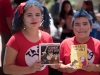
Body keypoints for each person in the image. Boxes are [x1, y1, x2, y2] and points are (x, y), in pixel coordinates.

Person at [3, 0, 59, 75]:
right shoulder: (15, 39)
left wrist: (56, 65)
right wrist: (30, 69)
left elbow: (50, 63)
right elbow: (6, 69)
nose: (34, 18)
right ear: (23, 18)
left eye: (37, 14)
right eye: (29, 15)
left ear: (42, 17)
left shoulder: (47, 37)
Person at [57, 8, 100, 75]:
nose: (81, 27)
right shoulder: (65, 43)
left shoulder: (98, 44)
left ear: (91, 27)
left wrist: (94, 68)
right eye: (77, 24)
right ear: (73, 28)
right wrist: (65, 68)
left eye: (85, 24)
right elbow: (57, 64)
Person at [0, 0, 12, 66]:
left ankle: (3, 66)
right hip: (7, 30)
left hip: (2, 29)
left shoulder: (1, 1)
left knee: (4, 48)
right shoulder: (6, 2)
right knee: (7, 50)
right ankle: (5, 67)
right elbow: (8, 20)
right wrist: (12, 32)